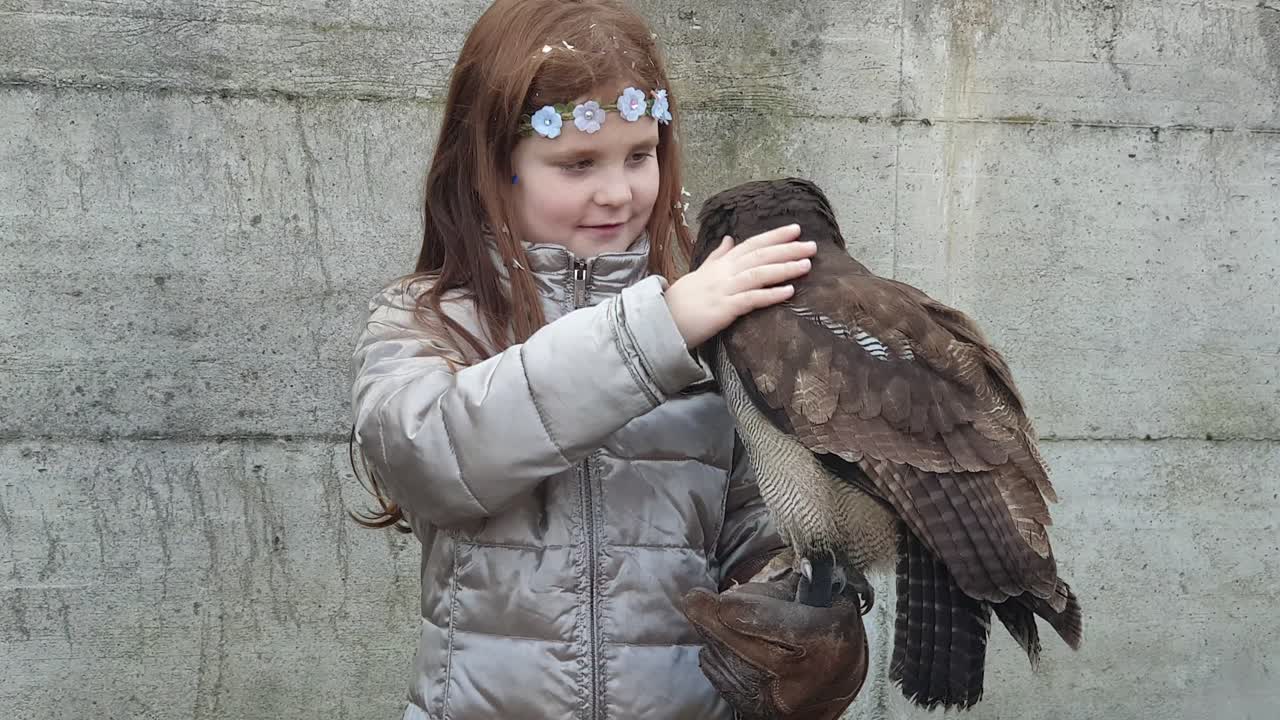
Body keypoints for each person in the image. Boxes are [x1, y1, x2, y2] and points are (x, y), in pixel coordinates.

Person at [348, 1, 865, 717]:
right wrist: (656, 332)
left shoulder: (710, 338)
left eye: (640, 155)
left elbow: (758, 524)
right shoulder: (432, 320)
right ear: (493, 170)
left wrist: (797, 608)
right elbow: (434, 460)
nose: (618, 191)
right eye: (577, 162)